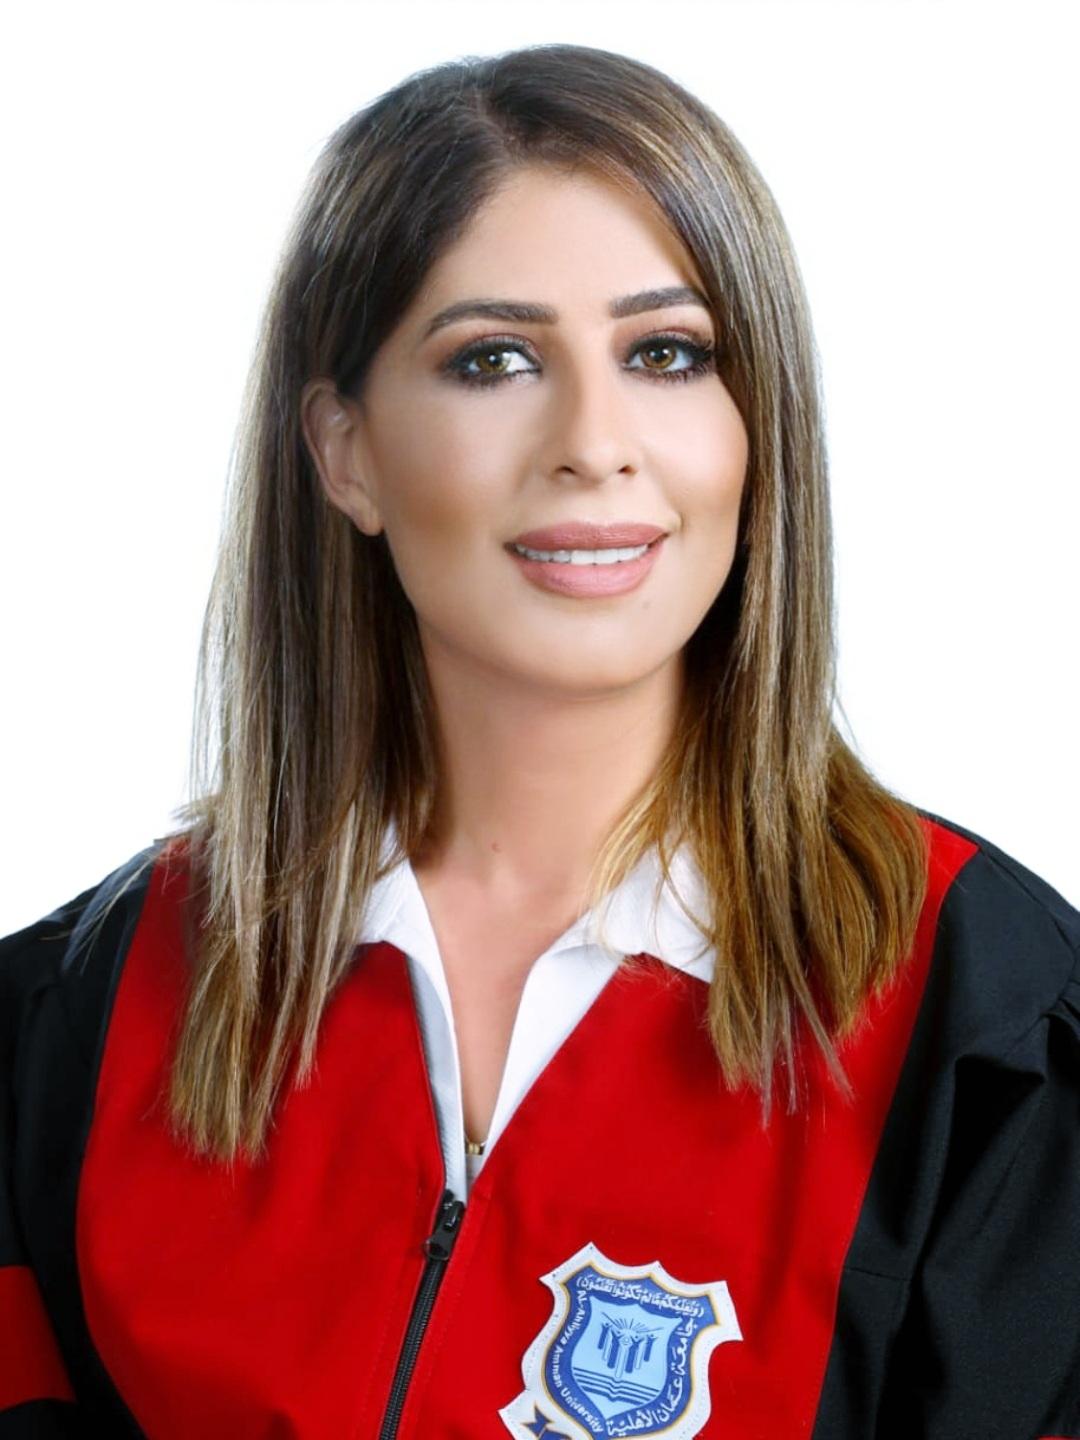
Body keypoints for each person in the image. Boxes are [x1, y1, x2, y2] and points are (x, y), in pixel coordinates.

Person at [1, 40, 1077, 1440]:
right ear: (345, 453)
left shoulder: (988, 1033)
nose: (594, 441)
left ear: (757, 428)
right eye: (493, 359)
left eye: (668, 354)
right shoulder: (84, 1019)